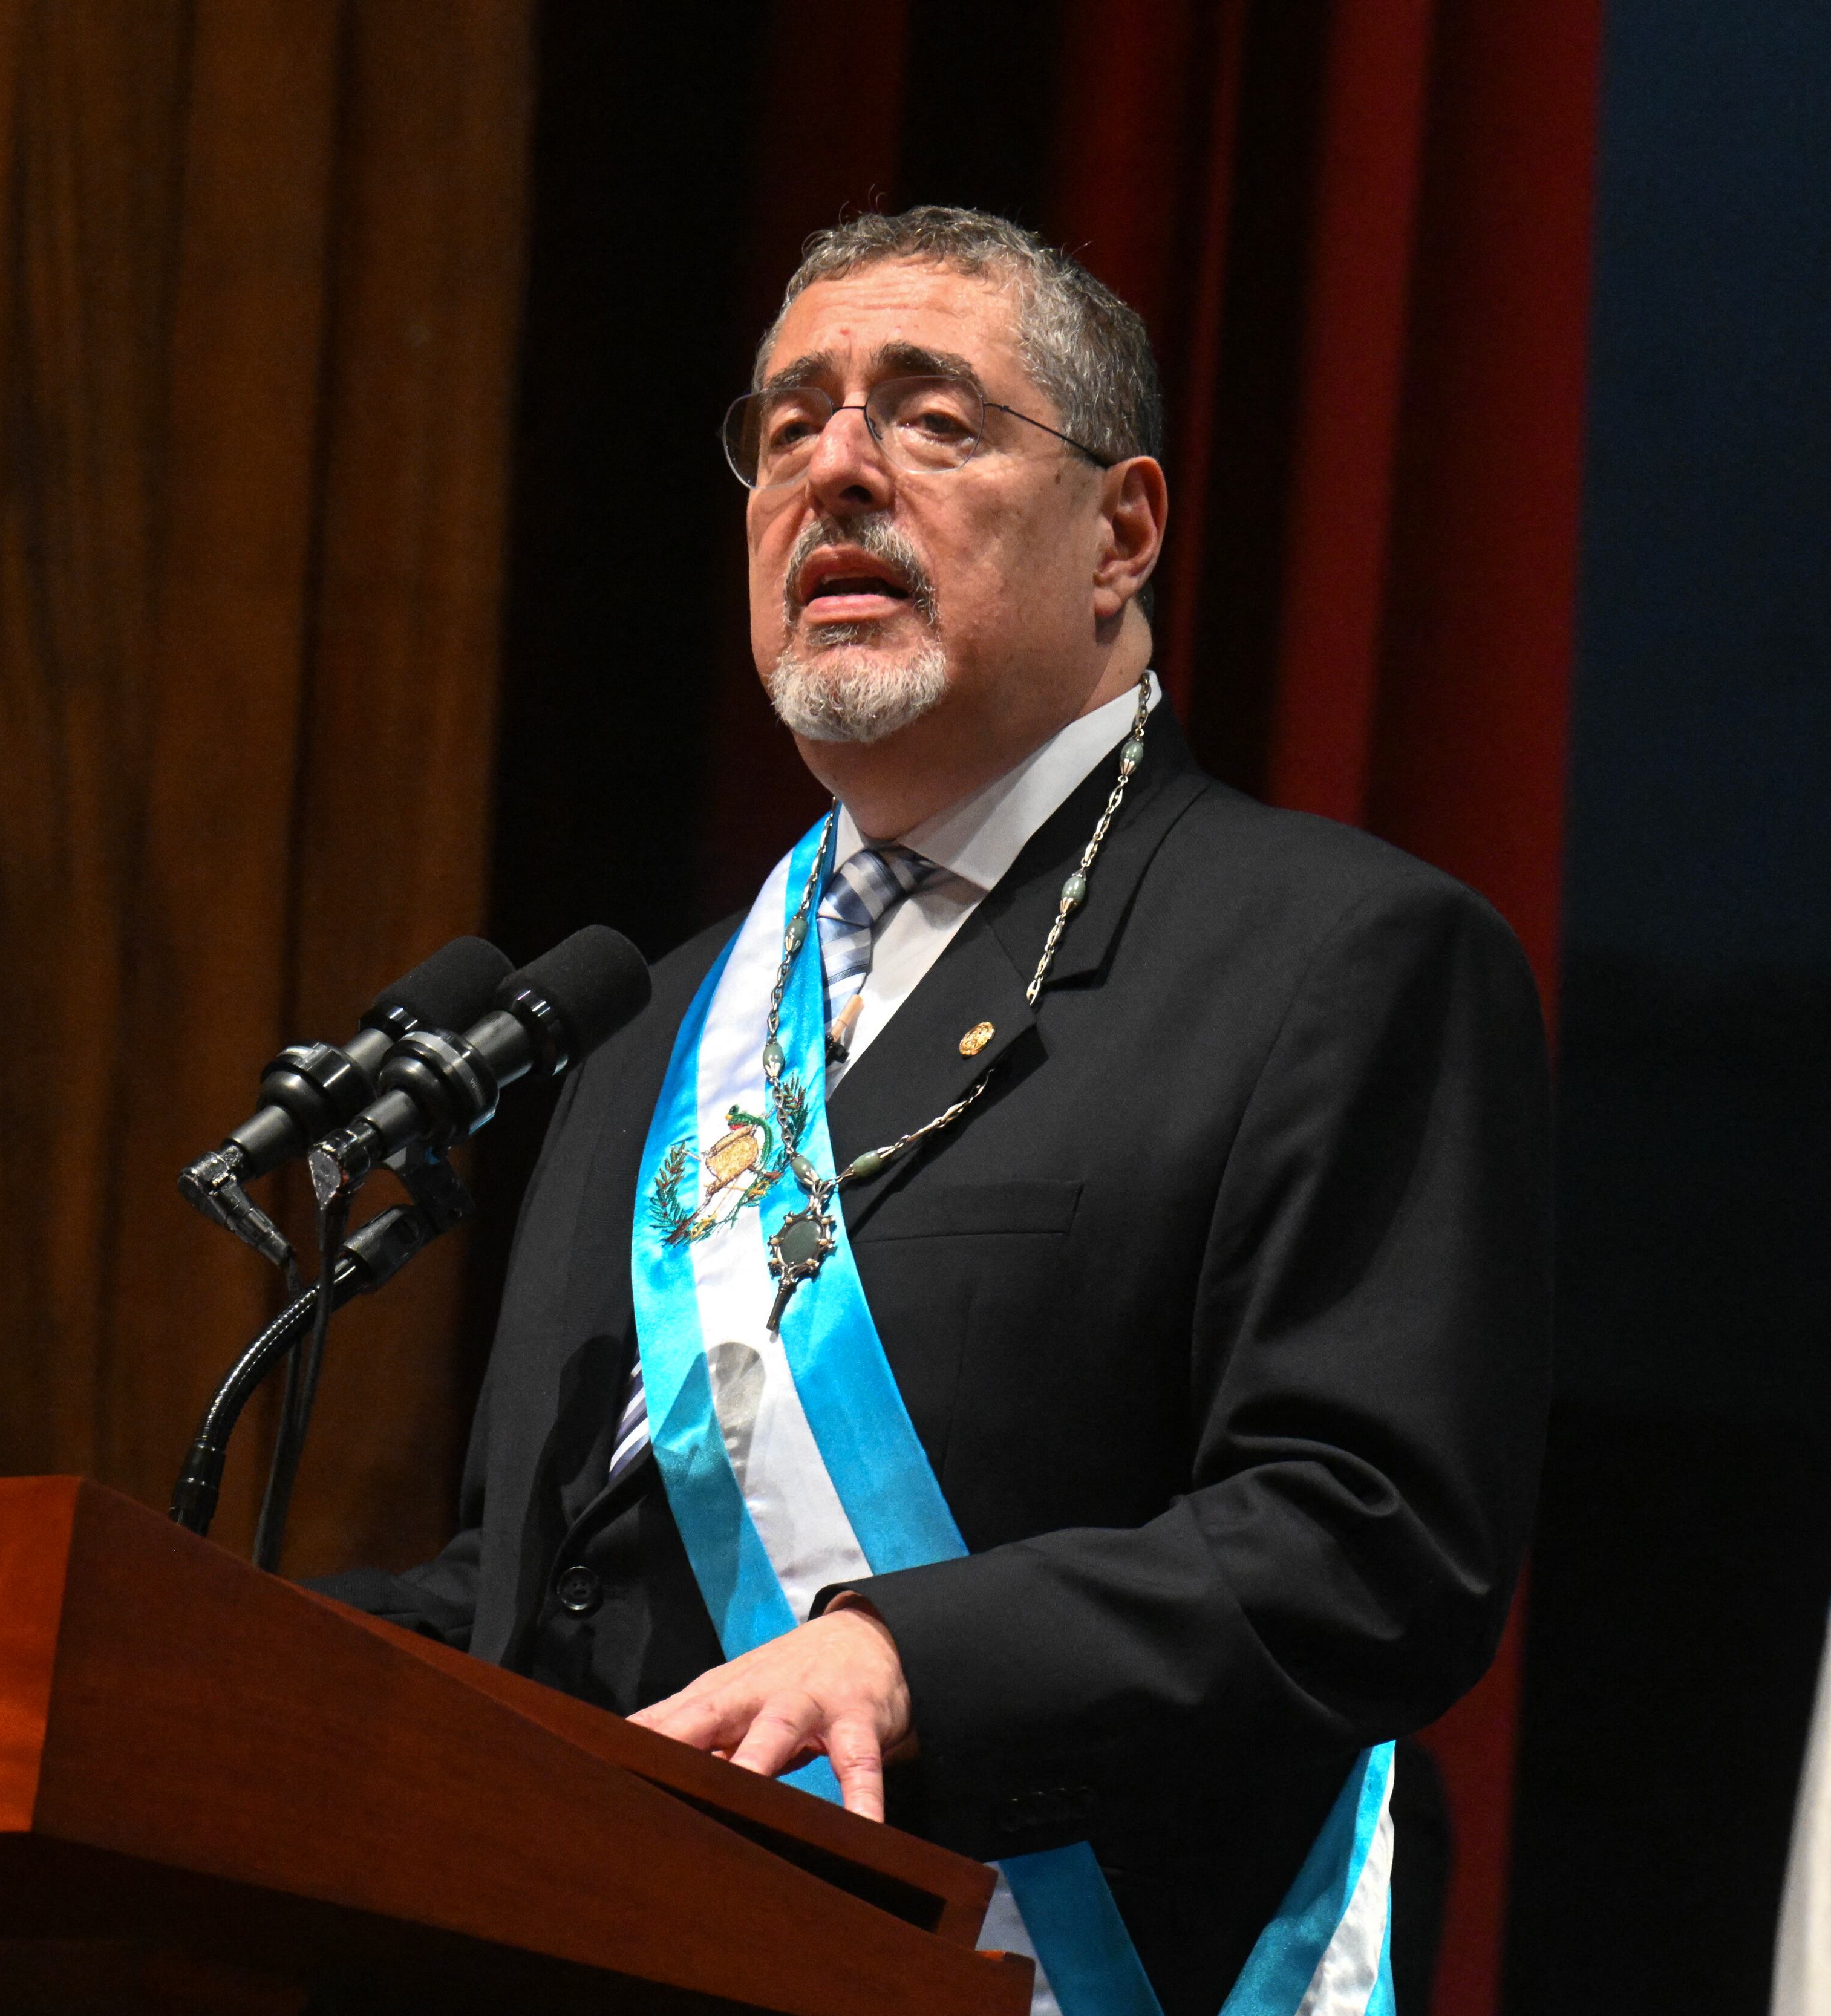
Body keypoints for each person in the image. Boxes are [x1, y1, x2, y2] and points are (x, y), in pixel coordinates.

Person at [320, 206, 1550, 2016]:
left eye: (930, 417)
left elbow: (1367, 1539)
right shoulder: (644, 1025)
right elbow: (553, 1601)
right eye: (789, 422)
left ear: (1121, 533)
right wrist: (229, 1670)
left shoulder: (1335, 958)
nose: (834, 472)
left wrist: (906, 1656)